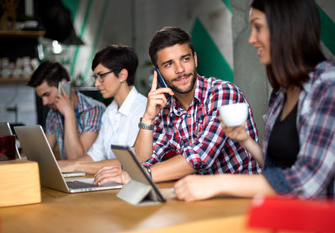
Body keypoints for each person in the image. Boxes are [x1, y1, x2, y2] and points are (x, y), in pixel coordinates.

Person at [174, 0, 334, 201]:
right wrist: (245, 140)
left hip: (317, 227)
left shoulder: (328, 85)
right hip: (282, 216)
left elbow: (307, 181)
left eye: (258, 27)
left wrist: (219, 182)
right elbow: (276, 170)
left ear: (286, 26)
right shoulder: (282, 91)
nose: (251, 39)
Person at [93, 26, 260, 185]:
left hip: (245, 197)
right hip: (200, 198)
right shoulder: (166, 109)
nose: (180, 69)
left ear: (194, 60)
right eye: (168, 64)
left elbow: (199, 157)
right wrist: (148, 118)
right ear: (157, 72)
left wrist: (139, 175)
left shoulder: (222, 93)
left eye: (185, 59)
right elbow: (142, 161)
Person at [57, 45, 147, 173]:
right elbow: (95, 155)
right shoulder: (109, 111)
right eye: (96, 77)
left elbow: (131, 161)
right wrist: (61, 164)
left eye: (101, 76)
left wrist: (76, 166)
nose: (96, 83)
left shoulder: (142, 109)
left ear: (122, 75)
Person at [28, 61, 105, 160]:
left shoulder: (94, 110)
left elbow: (76, 159)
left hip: (89, 175)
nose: (44, 102)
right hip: (68, 174)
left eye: (47, 95)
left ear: (63, 85)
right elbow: (44, 153)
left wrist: (69, 115)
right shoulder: (53, 113)